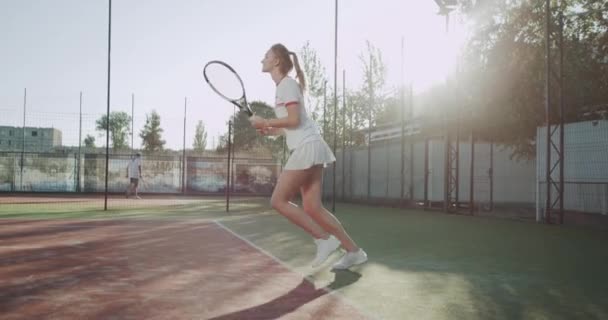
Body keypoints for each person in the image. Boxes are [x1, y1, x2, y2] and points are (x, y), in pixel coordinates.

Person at [249, 43, 367, 270]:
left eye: (266, 56)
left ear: (276, 62)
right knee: (312, 207)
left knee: (278, 201)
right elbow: (288, 126)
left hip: (307, 147)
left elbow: (294, 120)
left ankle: (324, 240)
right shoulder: (283, 87)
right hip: (310, 145)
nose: (262, 60)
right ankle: (354, 251)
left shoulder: (287, 85)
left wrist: (266, 121)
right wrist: (270, 130)